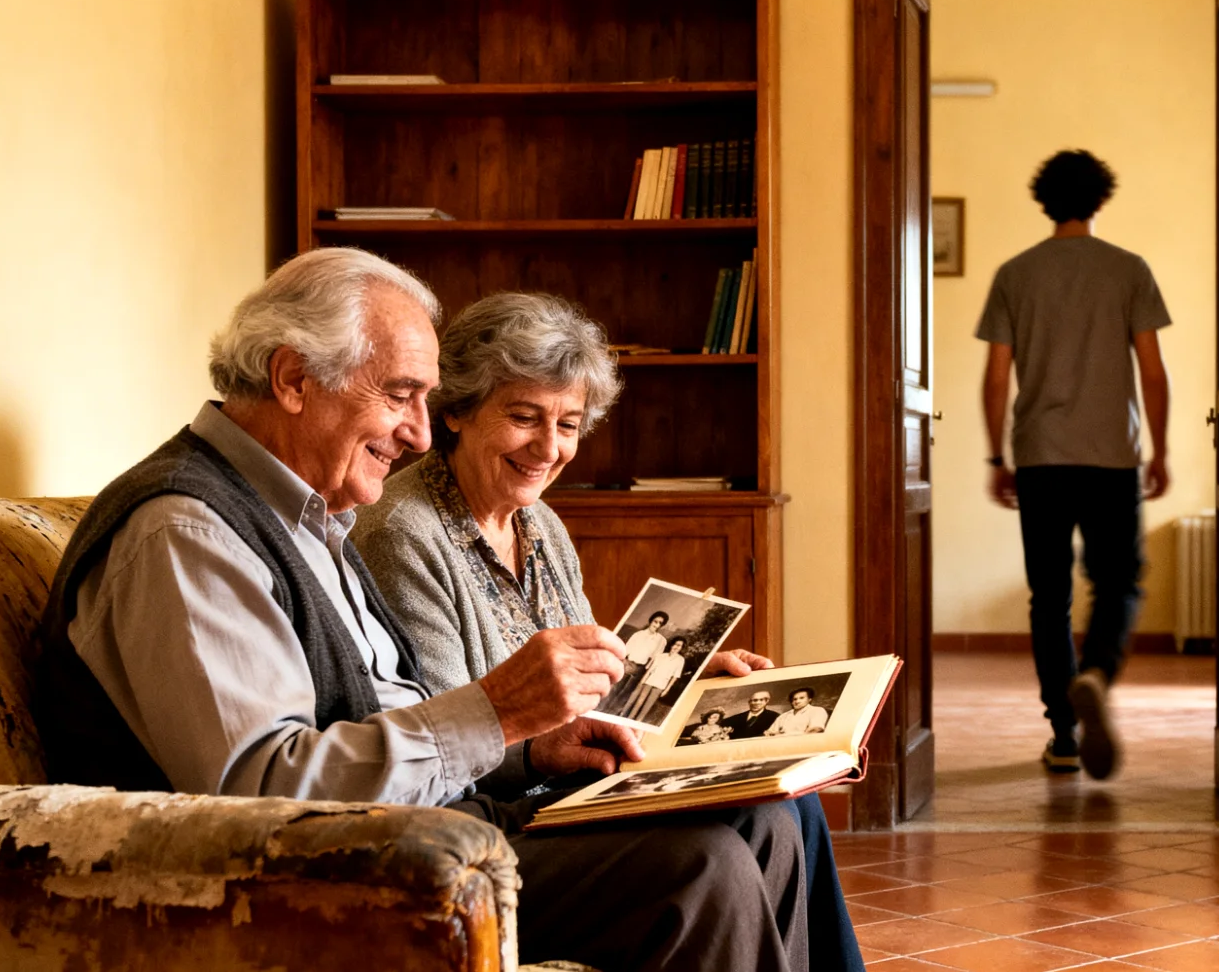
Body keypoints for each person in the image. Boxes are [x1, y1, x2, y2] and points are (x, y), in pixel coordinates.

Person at [32, 248, 808, 972]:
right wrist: (500, 712)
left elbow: (388, 710)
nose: (417, 431)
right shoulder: (186, 531)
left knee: (764, 823)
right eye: (400, 395)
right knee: (704, 867)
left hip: (438, 826)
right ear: (294, 378)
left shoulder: (311, 516)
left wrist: (539, 747)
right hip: (337, 877)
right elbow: (265, 793)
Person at [355, 290, 864, 971]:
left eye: (568, 423)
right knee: (732, 844)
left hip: (568, 783)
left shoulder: (542, 525)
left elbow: (586, 689)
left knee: (784, 811)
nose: (549, 447)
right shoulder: (403, 533)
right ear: (455, 410)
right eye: (524, 417)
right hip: (493, 807)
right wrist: (544, 747)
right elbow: (446, 735)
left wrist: (677, 683)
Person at [977, 149, 1172, 781]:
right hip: (1111, 454)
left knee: (1049, 598)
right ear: (1099, 199)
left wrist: (997, 455)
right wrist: (1160, 449)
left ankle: (1064, 735)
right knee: (1119, 583)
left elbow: (997, 375)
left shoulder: (1016, 274)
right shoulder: (1128, 270)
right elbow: (1151, 369)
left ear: (1044, 199)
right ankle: (1096, 673)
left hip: (1040, 457)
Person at [626, 636, 689, 722]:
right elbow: (650, 670)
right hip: (649, 681)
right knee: (639, 702)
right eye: (675, 644)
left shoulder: (680, 660)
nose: (676, 647)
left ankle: (638, 721)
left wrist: (666, 690)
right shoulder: (661, 656)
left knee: (647, 705)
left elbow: (674, 677)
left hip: (660, 685)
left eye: (679, 646)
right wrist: (642, 681)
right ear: (671, 645)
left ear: (682, 648)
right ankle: (629, 718)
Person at [617, 610, 671, 704]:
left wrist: (646, 671)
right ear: (651, 621)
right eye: (655, 621)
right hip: (627, 665)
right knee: (615, 688)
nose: (657, 625)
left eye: (660, 623)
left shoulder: (661, 640)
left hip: (641, 669)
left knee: (627, 694)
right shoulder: (638, 635)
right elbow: (626, 651)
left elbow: (655, 658)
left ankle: (614, 712)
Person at [765, 688, 830, 737]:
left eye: (801, 698)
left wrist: (782, 735)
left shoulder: (817, 711)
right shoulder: (784, 716)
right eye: (795, 699)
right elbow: (769, 732)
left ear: (809, 699)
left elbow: (815, 730)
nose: (797, 701)